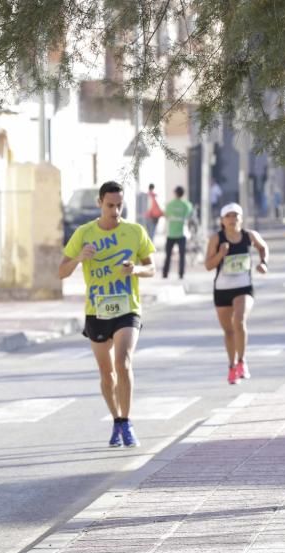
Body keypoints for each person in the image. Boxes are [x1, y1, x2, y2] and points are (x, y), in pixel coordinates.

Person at [60, 181, 155, 448]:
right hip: (97, 310)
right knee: (106, 373)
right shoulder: (84, 233)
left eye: (119, 205)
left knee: (123, 362)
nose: (115, 211)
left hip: (127, 307)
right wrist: (79, 257)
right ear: (100, 203)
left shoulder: (134, 231)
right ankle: (116, 419)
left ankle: (126, 421)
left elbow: (152, 268)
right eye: (110, 205)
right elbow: (61, 272)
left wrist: (136, 270)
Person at [204, 203, 270, 384]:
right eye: (229, 216)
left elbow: (263, 247)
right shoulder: (216, 239)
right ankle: (232, 365)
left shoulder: (249, 236)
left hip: (244, 287)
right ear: (222, 220)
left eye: (236, 216)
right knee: (228, 331)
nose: (233, 220)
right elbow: (209, 265)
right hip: (222, 290)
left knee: (239, 321)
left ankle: (242, 361)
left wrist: (263, 262)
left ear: (241, 218)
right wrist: (221, 254)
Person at [162, 186, 194, 279]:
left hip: (171, 233)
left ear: (175, 193)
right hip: (182, 234)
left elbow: (166, 215)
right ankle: (181, 273)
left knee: (168, 255)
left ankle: (165, 273)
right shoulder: (187, 205)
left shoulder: (170, 204)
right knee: (182, 255)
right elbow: (190, 215)